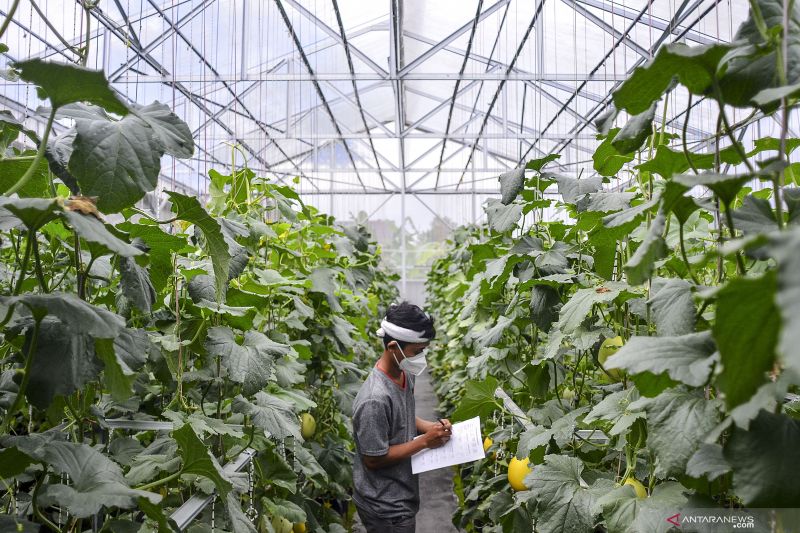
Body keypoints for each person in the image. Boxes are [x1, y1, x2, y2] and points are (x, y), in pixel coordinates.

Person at [351, 301, 453, 533]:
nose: (422, 357)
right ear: (394, 347)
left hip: (401, 493)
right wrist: (425, 442)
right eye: (418, 351)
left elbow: (403, 416)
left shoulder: (405, 372)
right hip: (385, 505)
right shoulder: (374, 399)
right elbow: (373, 459)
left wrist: (430, 428)